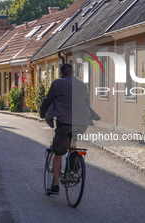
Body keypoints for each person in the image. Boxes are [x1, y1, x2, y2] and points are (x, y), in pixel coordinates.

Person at [40, 63, 94, 194]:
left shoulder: (57, 84)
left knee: (58, 153)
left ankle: (55, 185)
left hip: (64, 123)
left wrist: (43, 113)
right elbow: (87, 102)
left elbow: (47, 100)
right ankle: (73, 167)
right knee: (72, 141)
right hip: (82, 123)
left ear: (62, 74)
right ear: (73, 73)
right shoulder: (82, 85)